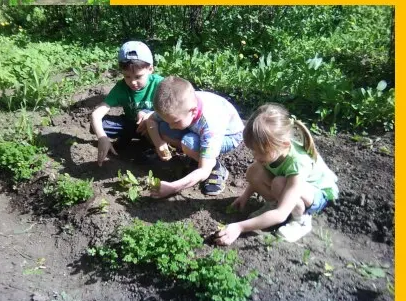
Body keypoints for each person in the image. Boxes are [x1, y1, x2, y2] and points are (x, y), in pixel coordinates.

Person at [215, 104, 339, 245]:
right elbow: (256, 174)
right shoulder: (273, 148)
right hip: (291, 184)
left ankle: (300, 220)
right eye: (253, 151)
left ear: (285, 144)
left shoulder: (298, 164)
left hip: (317, 193)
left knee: (279, 184)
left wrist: (239, 227)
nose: (256, 156)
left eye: (260, 152)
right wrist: (245, 196)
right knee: (253, 171)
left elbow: (281, 214)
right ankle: (274, 205)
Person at [145, 76, 244, 196]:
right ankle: (196, 156)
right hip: (195, 127)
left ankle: (216, 167)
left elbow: (204, 170)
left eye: (175, 122)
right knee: (162, 128)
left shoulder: (211, 124)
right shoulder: (176, 106)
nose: (171, 126)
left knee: (188, 143)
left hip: (229, 136)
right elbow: (151, 120)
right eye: (169, 121)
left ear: (193, 111)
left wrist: (172, 187)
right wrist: (159, 143)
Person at [91, 42, 164, 166]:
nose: (133, 82)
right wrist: (102, 138)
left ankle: (152, 146)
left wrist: (151, 115)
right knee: (99, 125)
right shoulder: (121, 87)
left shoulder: (160, 84)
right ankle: (128, 139)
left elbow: (173, 109)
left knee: (151, 117)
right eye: (127, 76)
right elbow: (96, 115)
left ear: (150, 69)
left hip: (155, 125)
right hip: (131, 124)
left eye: (138, 76)